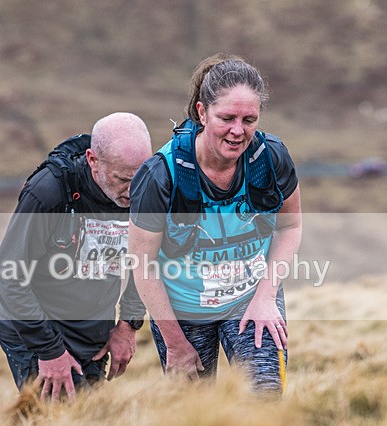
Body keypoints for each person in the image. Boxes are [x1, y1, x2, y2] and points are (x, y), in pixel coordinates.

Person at [129, 54, 302, 396]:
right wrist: (175, 342)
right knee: (194, 415)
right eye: (226, 118)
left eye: (249, 119)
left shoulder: (271, 157)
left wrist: (266, 297)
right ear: (201, 112)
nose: (238, 131)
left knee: (265, 399)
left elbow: (290, 227)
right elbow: (141, 264)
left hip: (252, 298)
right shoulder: (161, 175)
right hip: (183, 310)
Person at [0, 112, 152, 401]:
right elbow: (9, 278)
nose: (133, 191)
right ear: (93, 160)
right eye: (122, 179)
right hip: (36, 333)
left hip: (93, 333)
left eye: (140, 178)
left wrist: (128, 325)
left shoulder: (146, 189)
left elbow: (147, 259)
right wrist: (50, 351)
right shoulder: (48, 193)